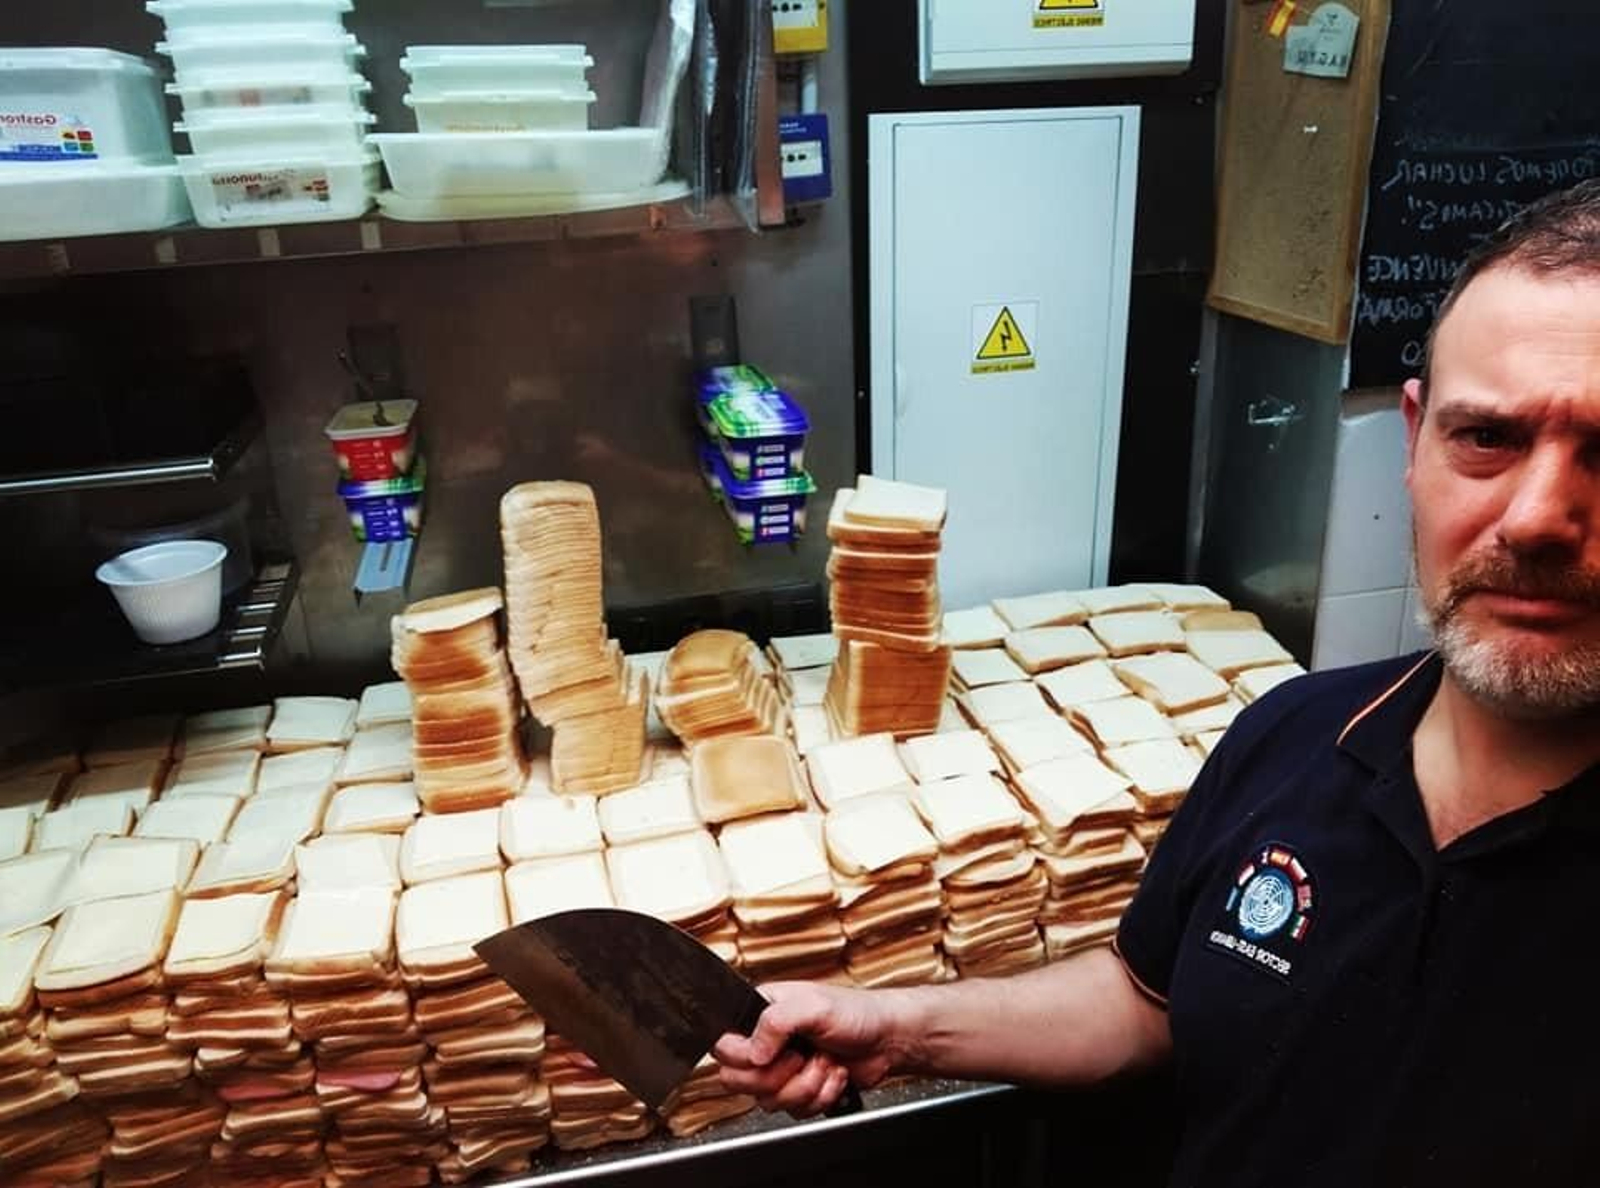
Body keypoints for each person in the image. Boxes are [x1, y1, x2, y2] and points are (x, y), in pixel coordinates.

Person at [716, 179, 1600, 1186]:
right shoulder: (1296, 735)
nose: (1537, 517)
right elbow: (1147, 1000)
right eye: (1487, 438)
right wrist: (898, 1026)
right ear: (1415, 440)